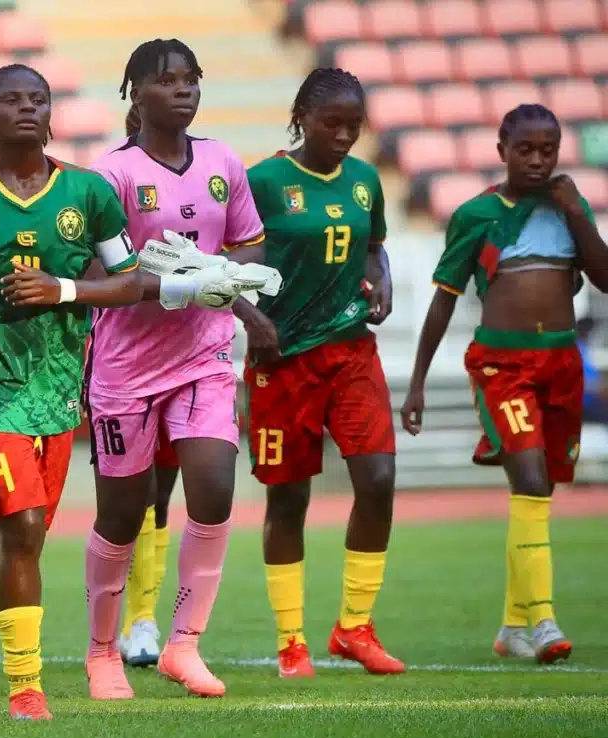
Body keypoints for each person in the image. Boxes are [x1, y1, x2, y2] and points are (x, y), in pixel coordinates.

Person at [0, 64, 254, 720]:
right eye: (11, 100)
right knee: (24, 525)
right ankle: (26, 689)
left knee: (18, 537)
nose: (26, 109)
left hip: (59, 379)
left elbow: (131, 280)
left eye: (38, 99)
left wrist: (62, 290)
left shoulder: (87, 193)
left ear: (50, 112)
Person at [84, 39, 276, 699]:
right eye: (167, 80)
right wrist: (173, 280)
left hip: (203, 356)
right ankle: (102, 652)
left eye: (191, 78)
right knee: (122, 513)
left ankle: (184, 645)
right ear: (134, 92)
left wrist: (221, 273)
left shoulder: (224, 161)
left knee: (214, 490)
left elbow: (250, 242)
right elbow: (97, 276)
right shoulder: (110, 176)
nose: (184, 89)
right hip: (126, 367)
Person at [401, 104, 608, 664]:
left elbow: (604, 277)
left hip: (561, 364)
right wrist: (417, 382)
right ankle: (543, 621)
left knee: (538, 490)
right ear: (502, 151)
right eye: (525, 149)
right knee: (532, 481)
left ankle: (512, 627)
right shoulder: (477, 215)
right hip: (502, 367)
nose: (537, 160)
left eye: (548, 150)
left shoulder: (568, 209)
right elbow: (444, 299)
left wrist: (577, 212)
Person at [244, 67, 404, 679]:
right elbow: (227, 264)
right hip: (283, 361)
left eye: (353, 126)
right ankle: (292, 641)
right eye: (331, 123)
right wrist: (252, 320)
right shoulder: (264, 181)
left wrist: (381, 284)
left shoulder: (365, 181)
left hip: (351, 350)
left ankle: (354, 628)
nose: (343, 136)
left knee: (379, 479)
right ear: (301, 118)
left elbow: (373, 249)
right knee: (288, 498)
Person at [114, 105, 181, 668]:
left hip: (184, 356)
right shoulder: (110, 182)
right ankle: (124, 619)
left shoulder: (195, 180)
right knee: (131, 496)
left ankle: (142, 619)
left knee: (161, 494)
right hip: (122, 361)